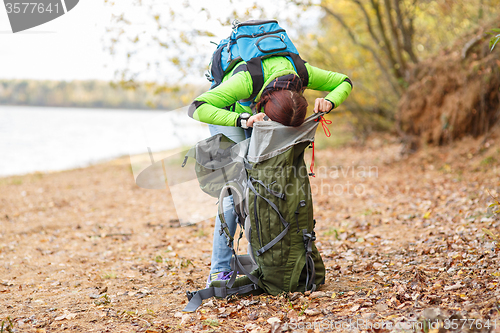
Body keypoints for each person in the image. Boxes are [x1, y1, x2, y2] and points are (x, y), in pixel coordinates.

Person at [188, 51, 352, 286]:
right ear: (263, 104)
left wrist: (331, 99)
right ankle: (220, 269)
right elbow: (197, 107)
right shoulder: (245, 82)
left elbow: (344, 82)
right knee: (235, 188)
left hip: (261, 115)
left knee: (267, 182)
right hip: (228, 114)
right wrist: (244, 120)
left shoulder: (303, 73)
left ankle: (264, 256)